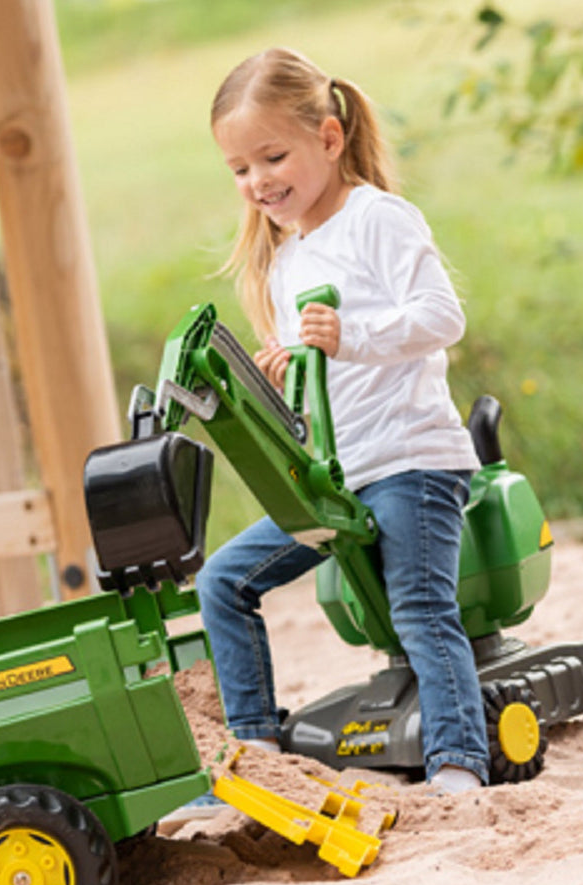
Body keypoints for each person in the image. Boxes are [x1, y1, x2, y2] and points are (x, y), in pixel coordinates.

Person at [196, 47, 488, 797]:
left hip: (409, 460)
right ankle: (256, 751)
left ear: (328, 139)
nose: (256, 181)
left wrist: (347, 337)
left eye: (271, 156)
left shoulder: (378, 219)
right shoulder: (289, 258)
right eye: (239, 169)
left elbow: (440, 317)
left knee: (419, 607)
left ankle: (458, 764)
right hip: (342, 476)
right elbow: (328, 382)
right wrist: (288, 377)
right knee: (225, 581)